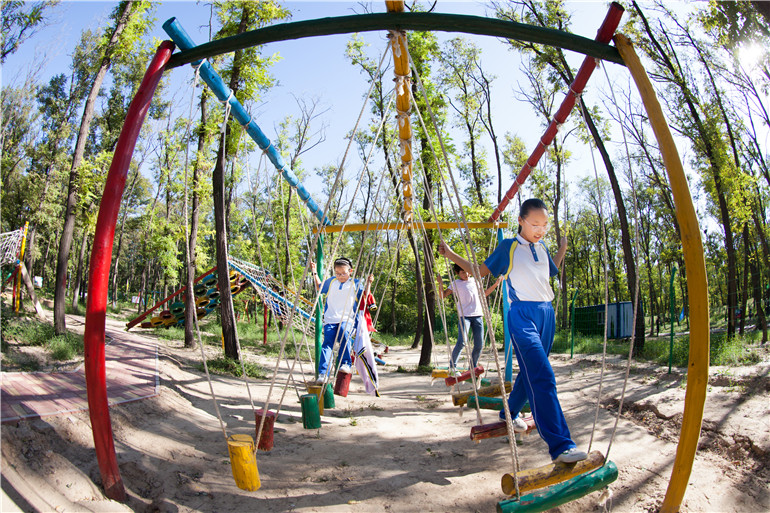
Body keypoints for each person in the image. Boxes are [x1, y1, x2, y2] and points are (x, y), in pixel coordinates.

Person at [438, 198, 587, 464]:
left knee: (530, 373)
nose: (540, 230)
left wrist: (562, 249)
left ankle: (510, 413)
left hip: (546, 314)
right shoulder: (509, 247)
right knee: (543, 375)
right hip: (522, 316)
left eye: (544, 225)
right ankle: (561, 444)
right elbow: (477, 271)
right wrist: (450, 254)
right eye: (535, 224)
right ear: (521, 221)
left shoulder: (542, 247)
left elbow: (550, 271)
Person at [310, 257, 373, 386]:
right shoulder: (332, 282)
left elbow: (365, 296)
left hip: (347, 319)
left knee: (345, 334)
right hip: (330, 319)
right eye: (338, 273)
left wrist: (369, 283)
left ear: (350, 271)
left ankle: (345, 363)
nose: (340, 276)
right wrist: (314, 271)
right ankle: (323, 373)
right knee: (327, 344)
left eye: (343, 273)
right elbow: (319, 287)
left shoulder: (355, 283)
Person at [436, 263, 502, 373]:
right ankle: (452, 366)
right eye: (462, 272)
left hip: (477, 315)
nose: (466, 274)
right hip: (464, 316)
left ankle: (472, 366)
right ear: (457, 273)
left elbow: (484, 294)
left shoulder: (475, 281)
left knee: (479, 344)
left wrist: (496, 284)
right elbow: (442, 296)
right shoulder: (455, 284)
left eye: (467, 272)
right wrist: (440, 283)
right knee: (462, 342)